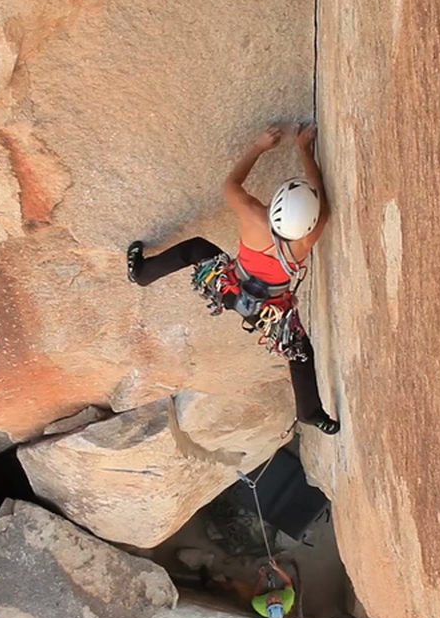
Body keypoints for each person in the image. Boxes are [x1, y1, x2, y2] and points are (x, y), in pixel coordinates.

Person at [126, 122, 339, 434]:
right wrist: (306, 152)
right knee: (299, 351)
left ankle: (143, 273)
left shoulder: (254, 217)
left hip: (228, 286)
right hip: (265, 312)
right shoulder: (307, 238)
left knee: (197, 249)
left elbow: (231, 184)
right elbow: (321, 200)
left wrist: (259, 146)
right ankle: (310, 411)